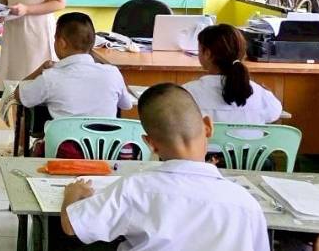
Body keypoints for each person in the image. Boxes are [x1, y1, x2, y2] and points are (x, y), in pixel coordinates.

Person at [60, 83, 270, 251]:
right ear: (208, 127)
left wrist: (72, 194)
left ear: (150, 144)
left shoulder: (136, 188)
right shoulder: (246, 204)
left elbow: (72, 226)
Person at [15, 12, 134, 157]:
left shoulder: (50, 77)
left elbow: (20, 95)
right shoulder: (112, 73)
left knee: (38, 146)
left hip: (65, 155)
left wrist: (40, 70)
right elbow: (126, 105)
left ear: (61, 43)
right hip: (107, 154)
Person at [183, 24, 283, 124]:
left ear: (207, 54)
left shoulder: (187, 93)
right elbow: (275, 114)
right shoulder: (261, 95)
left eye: (199, 50)